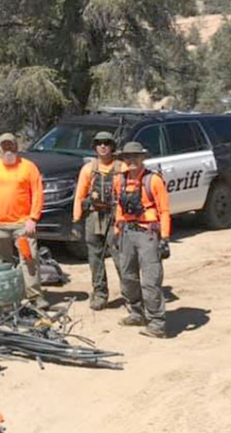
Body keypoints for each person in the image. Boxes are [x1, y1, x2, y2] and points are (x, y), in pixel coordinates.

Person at [0, 133, 49, 309]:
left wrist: (33, 218)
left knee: (29, 259)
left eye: (11, 146)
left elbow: (37, 194)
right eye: (4, 146)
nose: (8, 150)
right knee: (2, 263)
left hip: (22, 226)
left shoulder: (28, 167)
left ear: (16, 147)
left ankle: (35, 296)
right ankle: (8, 297)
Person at [113, 142, 171, 338]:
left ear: (142, 158)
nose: (132, 161)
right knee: (127, 276)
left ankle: (156, 323)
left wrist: (165, 238)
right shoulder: (119, 181)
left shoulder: (153, 180)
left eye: (135, 156)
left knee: (150, 280)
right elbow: (119, 207)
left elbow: (164, 210)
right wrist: (117, 230)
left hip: (148, 234)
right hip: (126, 233)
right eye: (128, 157)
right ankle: (137, 313)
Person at [72, 132, 123, 310]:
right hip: (94, 216)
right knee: (95, 257)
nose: (103, 146)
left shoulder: (121, 168)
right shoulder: (89, 169)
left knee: (120, 256)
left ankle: (131, 295)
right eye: (99, 143)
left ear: (112, 146)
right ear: (94, 147)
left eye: (106, 143)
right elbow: (79, 195)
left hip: (115, 216)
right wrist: (76, 219)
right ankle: (100, 293)